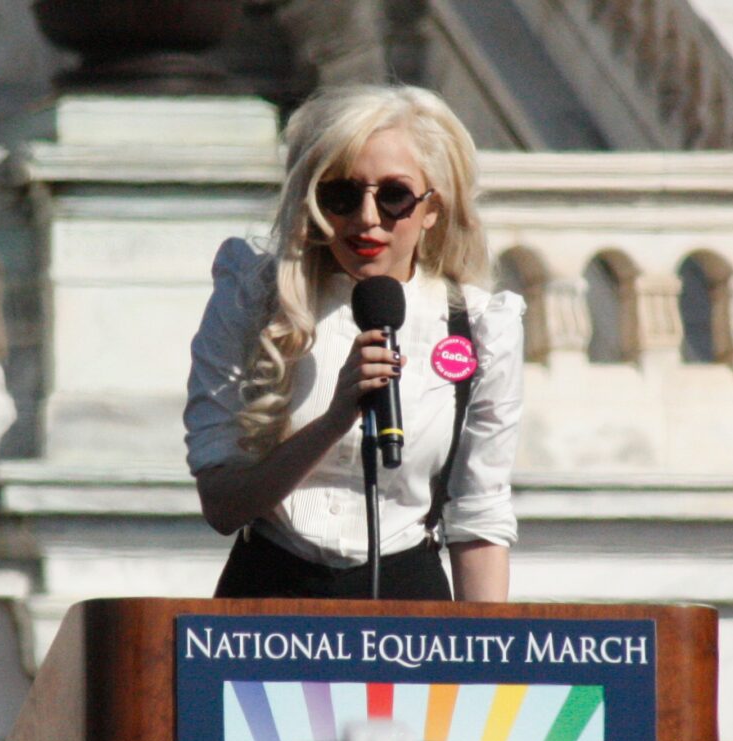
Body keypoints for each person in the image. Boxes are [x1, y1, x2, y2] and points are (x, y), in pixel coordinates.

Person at [184, 84, 524, 601]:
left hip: (408, 591)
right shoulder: (251, 298)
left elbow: (479, 515)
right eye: (341, 195)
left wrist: (491, 648)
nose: (367, 218)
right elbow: (222, 506)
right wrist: (334, 420)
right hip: (270, 593)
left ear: (431, 208)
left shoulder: (478, 326)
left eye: (394, 196)